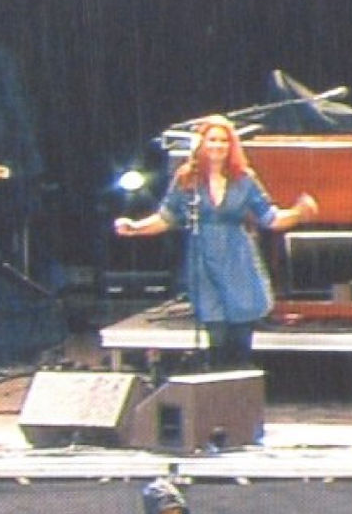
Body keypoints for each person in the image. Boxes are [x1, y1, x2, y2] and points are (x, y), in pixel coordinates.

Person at [115, 114, 318, 369]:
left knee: (241, 336)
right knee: (216, 334)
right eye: (212, 140)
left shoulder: (244, 179)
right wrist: (135, 227)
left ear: (231, 145)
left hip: (238, 259)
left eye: (223, 140)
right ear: (201, 143)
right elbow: (166, 218)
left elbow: (271, 218)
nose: (218, 146)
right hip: (204, 260)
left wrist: (298, 213)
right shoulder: (187, 179)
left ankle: (239, 390)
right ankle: (216, 392)